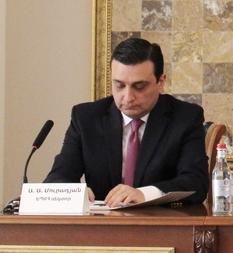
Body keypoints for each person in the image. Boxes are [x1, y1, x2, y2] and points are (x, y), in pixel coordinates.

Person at [45, 38, 210, 206]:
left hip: (160, 220)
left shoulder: (185, 118)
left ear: (160, 82)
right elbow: (57, 178)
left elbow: (196, 183)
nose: (128, 97)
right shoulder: (86, 118)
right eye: (119, 85)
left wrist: (145, 194)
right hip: (101, 221)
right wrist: (73, 192)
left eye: (139, 87)